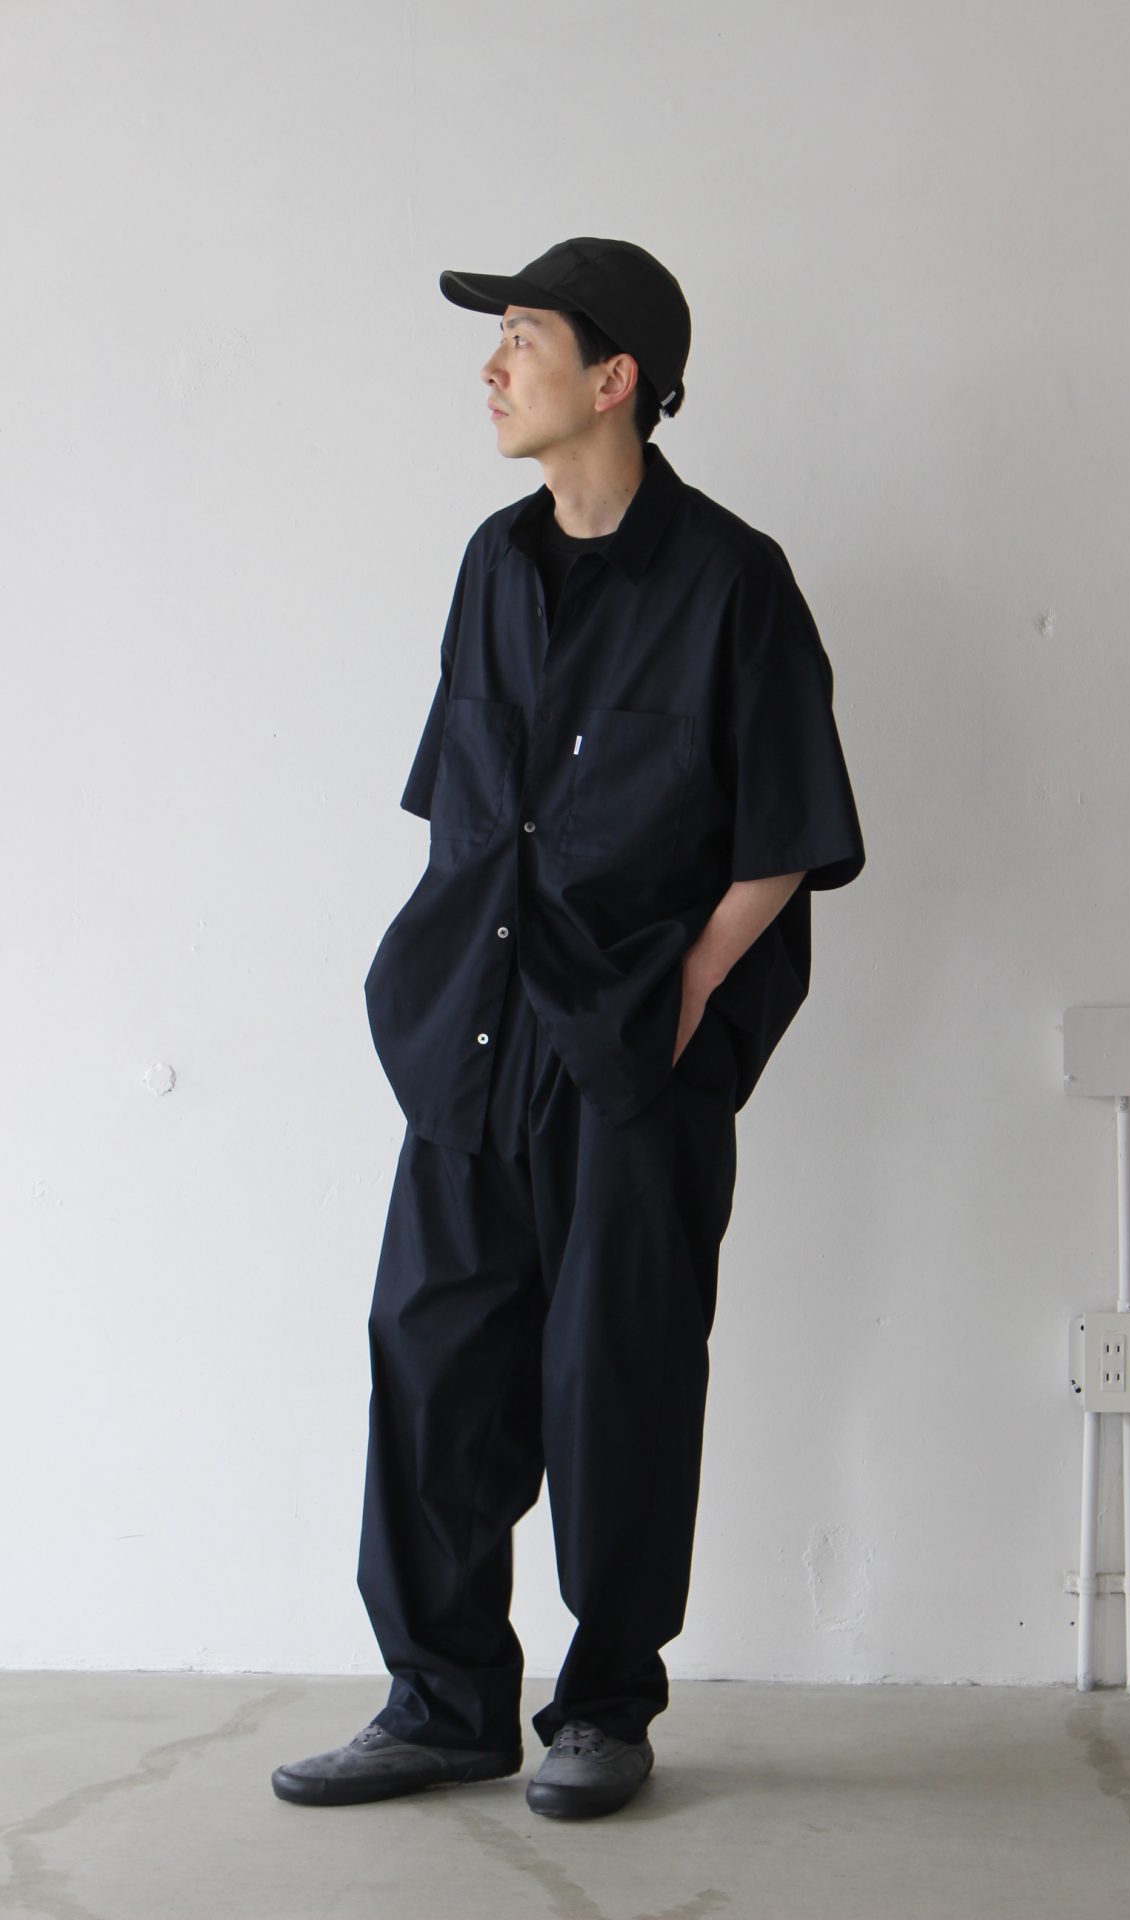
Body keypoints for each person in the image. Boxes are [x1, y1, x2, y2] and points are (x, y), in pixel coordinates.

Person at [271, 236, 867, 1821]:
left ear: (615, 379)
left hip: (629, 1054)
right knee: (431, 1360)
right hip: (472, 1034)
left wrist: (682, 1000)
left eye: (523, 337)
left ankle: (604, 1707)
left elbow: (786, 832)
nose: (493, 366)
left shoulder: (731, 580)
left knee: (619, 1374)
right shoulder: (492, 564)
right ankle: (442, 1701)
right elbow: (466, 811)